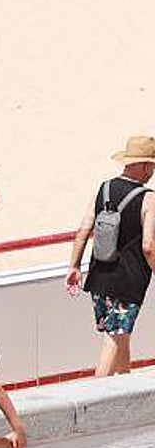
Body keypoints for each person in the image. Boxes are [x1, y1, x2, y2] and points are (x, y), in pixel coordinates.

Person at [66, 135, 155, 377]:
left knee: (121, 335)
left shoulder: (104, 189)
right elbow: (148, 245)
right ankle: (95, 400)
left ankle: (125, 384)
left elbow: (84, 228)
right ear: (146, 165)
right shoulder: (148, 197)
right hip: (128, 280)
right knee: (113, 338)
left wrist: (74, 266)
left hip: (99, 275)